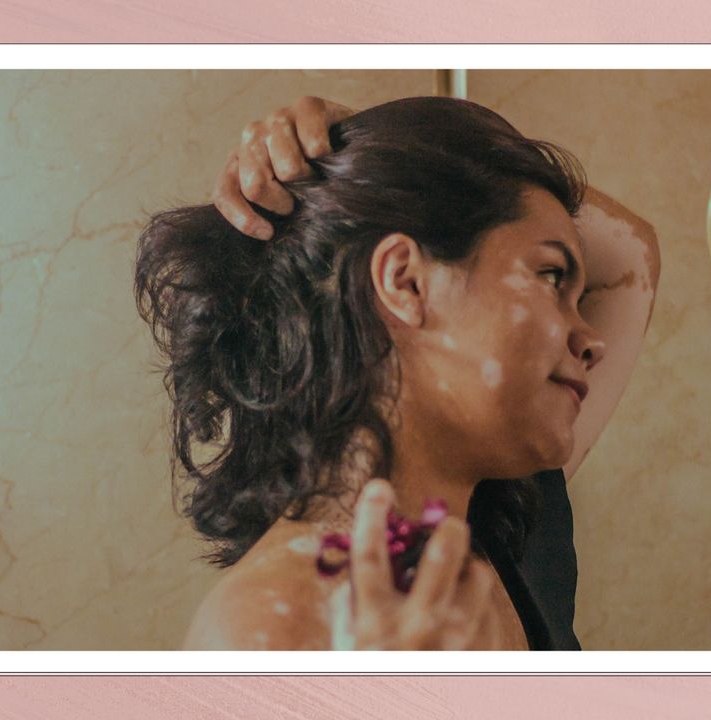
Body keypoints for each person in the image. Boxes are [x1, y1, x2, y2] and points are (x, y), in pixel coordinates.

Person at [135, 96, 655, 650]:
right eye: (551, 276)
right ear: (405, 282)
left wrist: (369, 150)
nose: (593, 339)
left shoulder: (515, 523)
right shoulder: (263, 629)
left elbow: (631, 259)